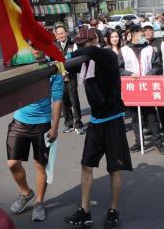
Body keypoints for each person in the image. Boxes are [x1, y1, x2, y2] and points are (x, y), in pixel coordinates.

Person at [64, 28, 132, 229]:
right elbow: (71, 66)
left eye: (84, 43)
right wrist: (59, 65)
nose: (81, 48)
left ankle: (114, 211)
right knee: (86, 165)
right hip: (96, 120)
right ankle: (84, 211)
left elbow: (90, 53)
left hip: (113, 119)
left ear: (94, 40)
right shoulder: (86, 62)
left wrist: (66, 55)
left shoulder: (107, 55)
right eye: (79, 44)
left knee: (114, 168)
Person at [6, 52, 63, 221]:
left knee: (40, 165)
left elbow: (57, 100)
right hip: (19, 121)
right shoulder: (23, 67)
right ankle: (26, 193)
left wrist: (54, 127)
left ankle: (39, 202)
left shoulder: (54, 71)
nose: (35, 51)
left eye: (39, 47)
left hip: (42, 124)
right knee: (12, 163)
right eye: (32, 47)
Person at [121, 25, 164, 155]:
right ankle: (139, 142)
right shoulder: (124, 50)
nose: (144, 37)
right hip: (132, 87)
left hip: (147, 86)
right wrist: (129, 74)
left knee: (151, 115)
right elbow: (119, 68)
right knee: (136, 117)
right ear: (133, 35)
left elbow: (157, 65)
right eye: (141, 35)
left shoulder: (149, 49)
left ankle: (158, 142)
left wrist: (149, 74)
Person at [55, 25, 83, 135]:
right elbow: (53, 61)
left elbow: (76, 60)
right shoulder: (54, 46)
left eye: (63, 33)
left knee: (74, 99)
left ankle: (78, 124)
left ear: (66, 33)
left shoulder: (73, 44)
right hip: (59, 77)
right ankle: (68, 123)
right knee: (64, 100)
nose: (61, 35)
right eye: (59, 33)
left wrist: (67, 71)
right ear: (56, 35)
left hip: (71, 76)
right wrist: (61, 72)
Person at [145, 22, 164, 137]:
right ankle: (153, 128)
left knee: (163, 105)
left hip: (160, 77)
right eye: (145, 30)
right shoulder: (141, 44)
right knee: (149, 105)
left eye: (150, 29)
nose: (148, 32)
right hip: (146, 78)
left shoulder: (160, 42)